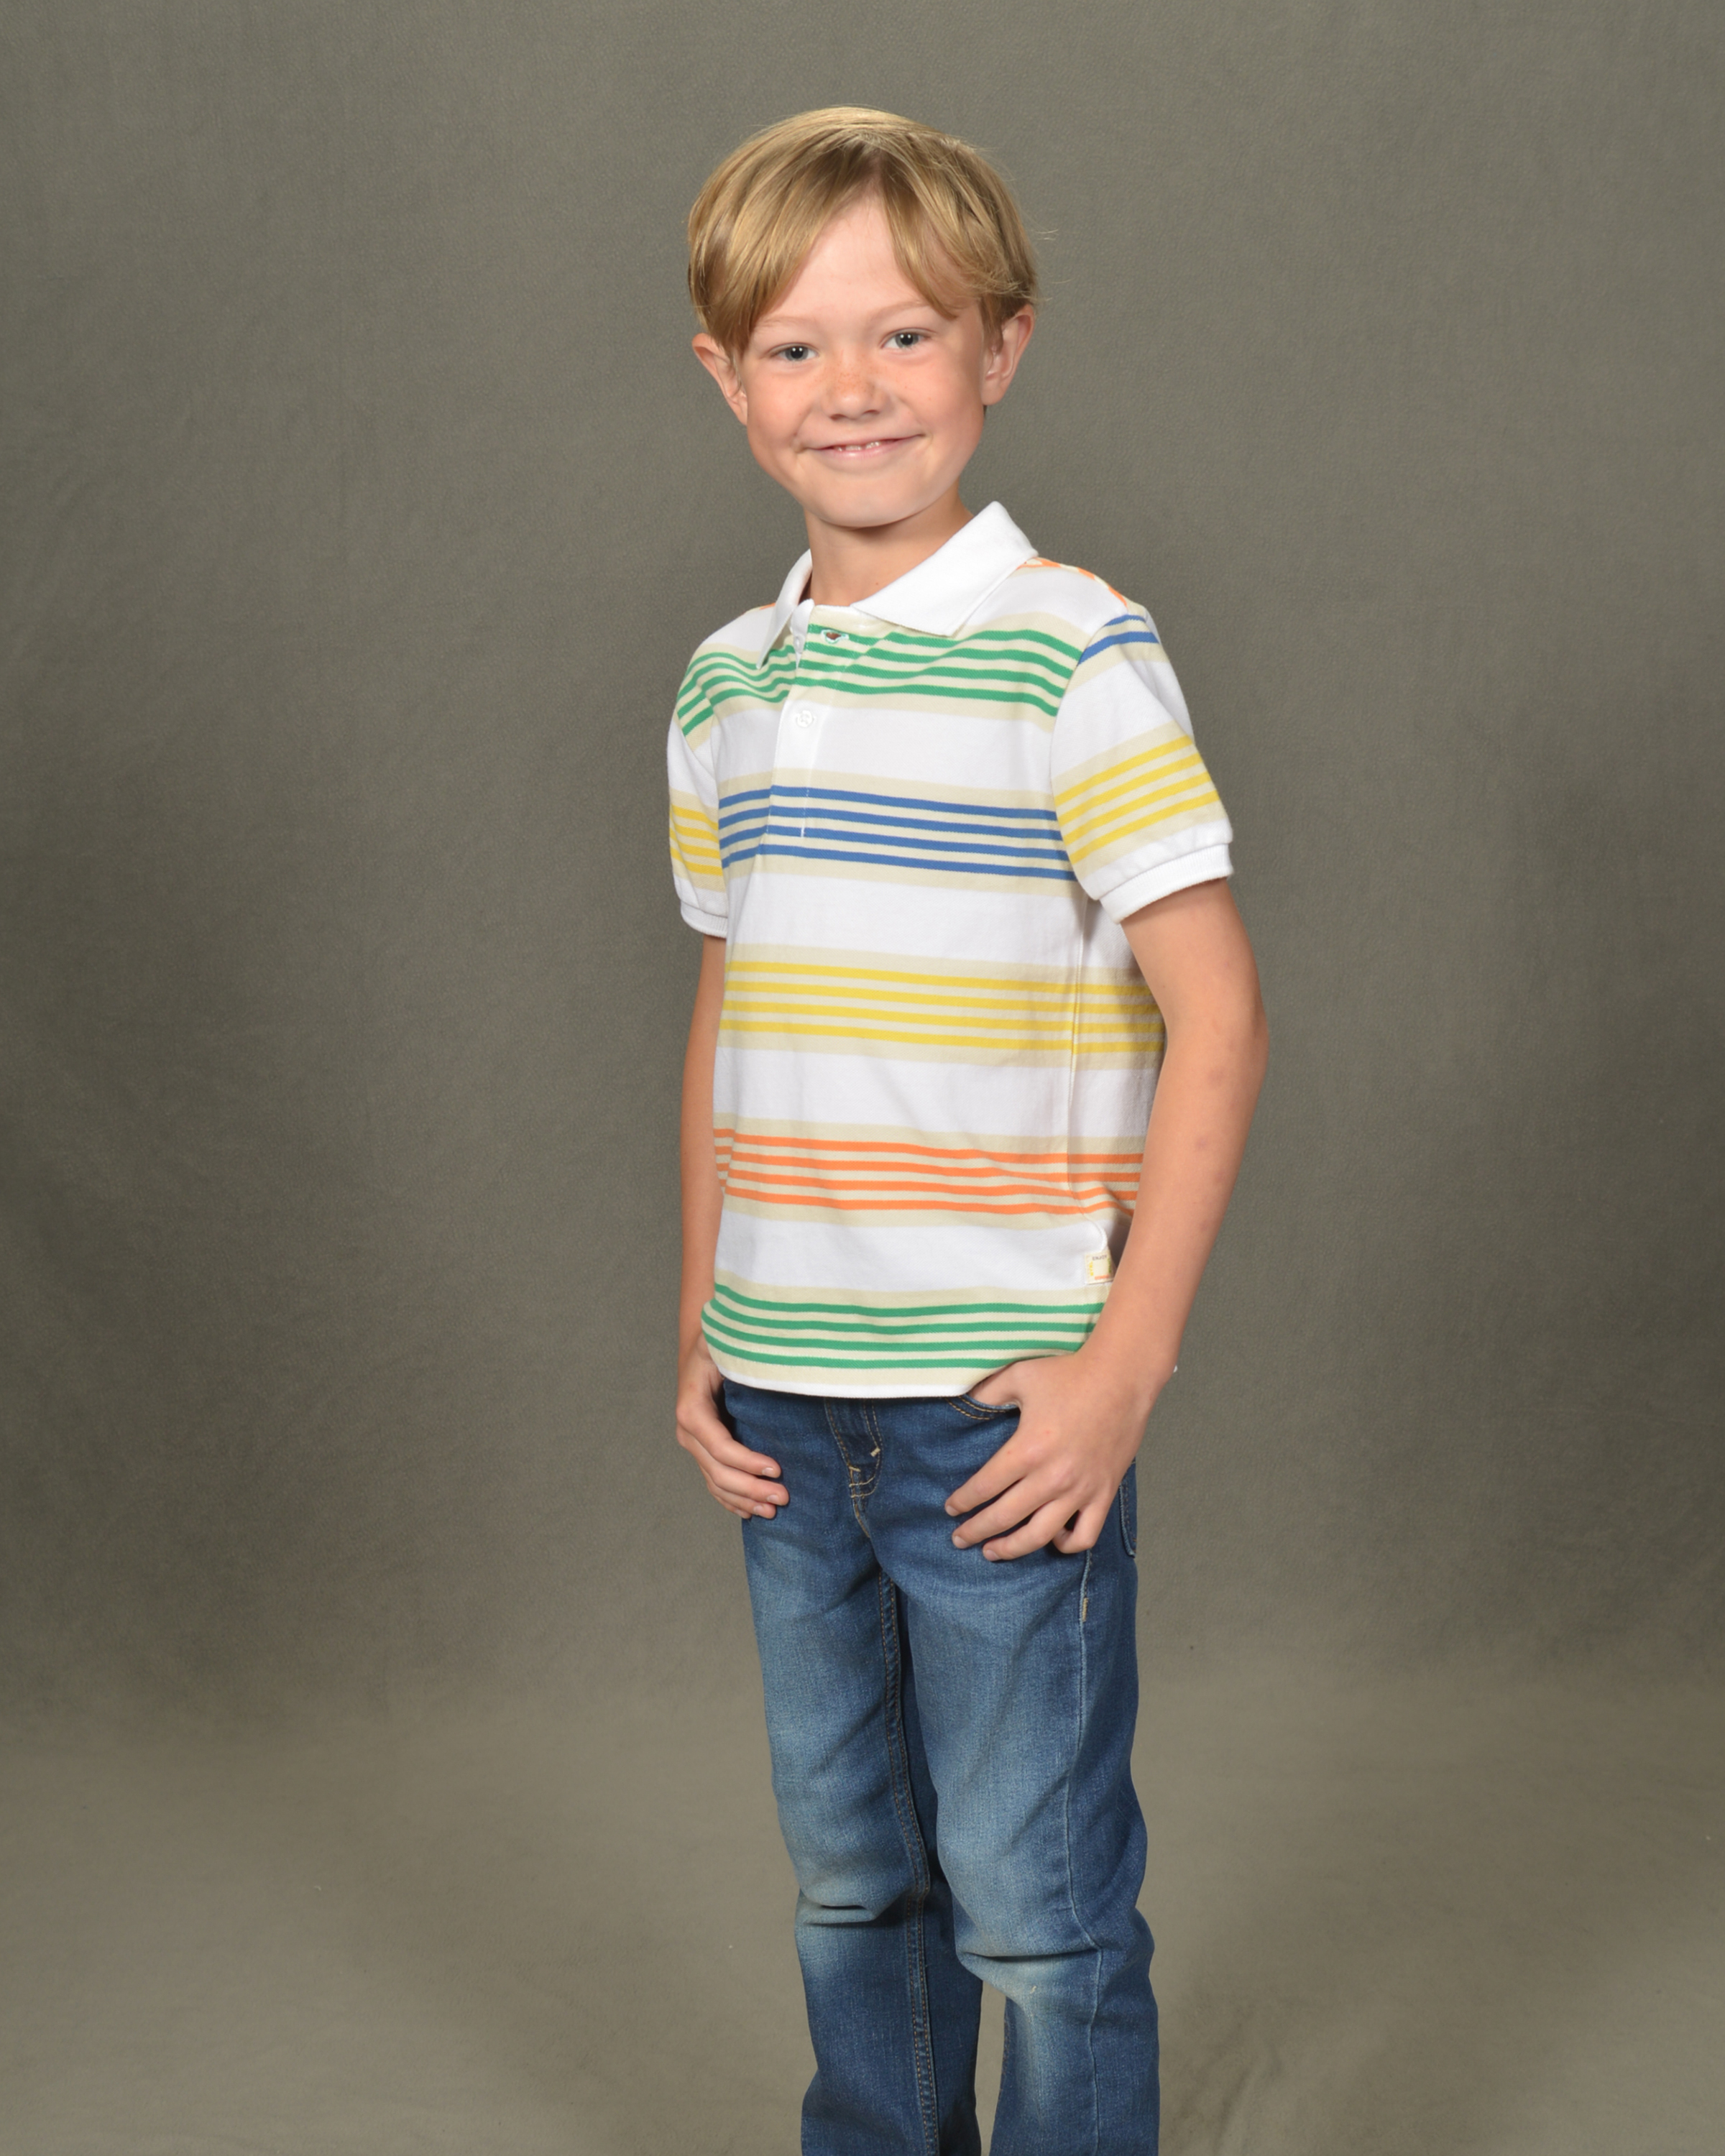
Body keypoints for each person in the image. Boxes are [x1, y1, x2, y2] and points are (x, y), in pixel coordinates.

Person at [667, 107, 1267, 2156]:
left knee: (1036, 1905)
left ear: (1001, 347)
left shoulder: (1071, 650)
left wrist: (1126, 1366)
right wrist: (703, 1321)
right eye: (797, 345)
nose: (852, 387)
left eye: (904, 334)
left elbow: (1221, 1017)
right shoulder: (727, 686)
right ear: (727, 378)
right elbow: (734, 1015)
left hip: (998, 1409)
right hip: (783, 1401)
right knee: (854, 1880)